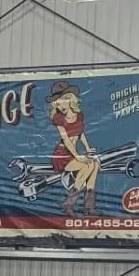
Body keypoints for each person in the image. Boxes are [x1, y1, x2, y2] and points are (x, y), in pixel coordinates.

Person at [48, 81, 100, 218]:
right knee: (88, 165)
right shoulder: (58, 118)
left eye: (61, 101)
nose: (59, 106)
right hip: (62, 155)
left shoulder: (79, 115)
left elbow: (80, 133)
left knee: (95, 165)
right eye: (56, 103)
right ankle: (68, 204)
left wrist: (87, 148)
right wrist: (78, 156)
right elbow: (66, 140)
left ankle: (89, 207)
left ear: (70, 99)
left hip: (73, 153)